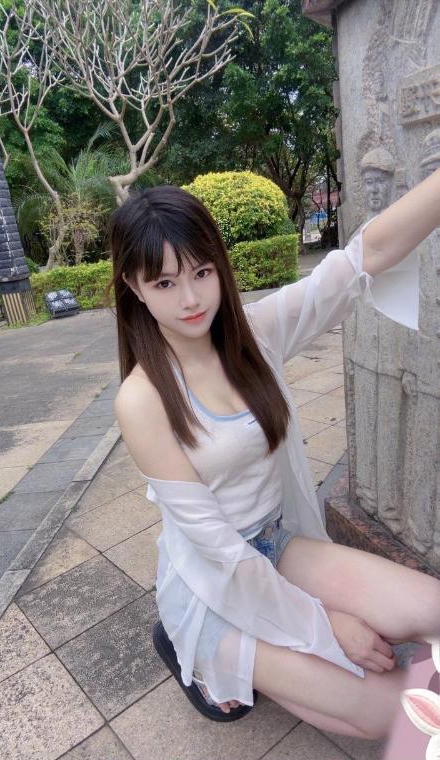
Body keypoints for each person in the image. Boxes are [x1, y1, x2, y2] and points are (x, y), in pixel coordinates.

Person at [108, 174, 440, 741]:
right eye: (164, 283)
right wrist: (328, 624)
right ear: (134, 288)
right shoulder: (142, 399)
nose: (190, 300)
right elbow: (219, 552)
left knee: (431, 607)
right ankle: (193, 649)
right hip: (211, 584)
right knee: (400, 715)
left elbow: (361, 259)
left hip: (272, 545)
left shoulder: (253, 337)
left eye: (202, 273)